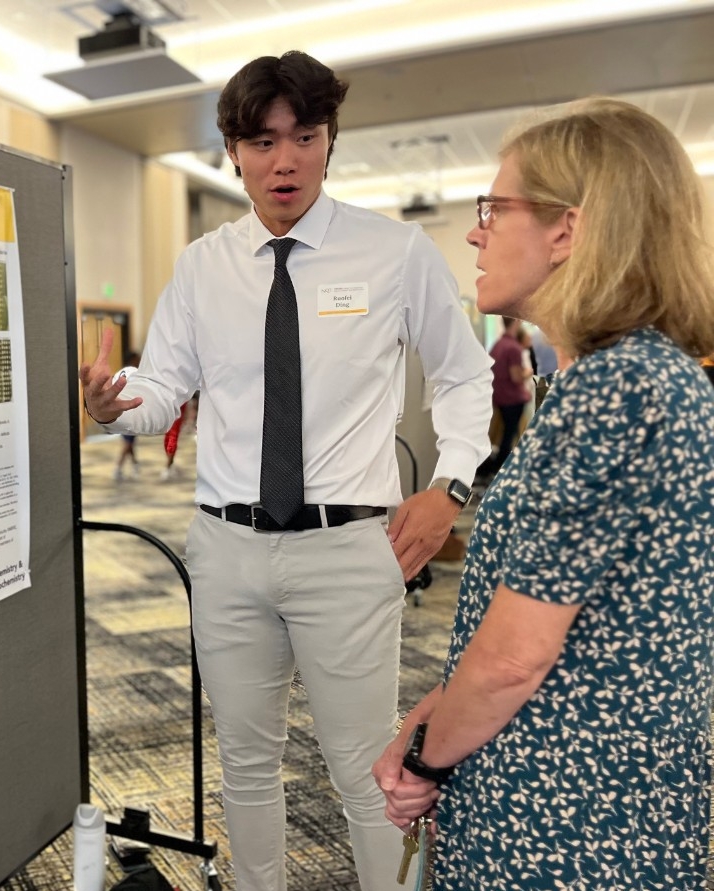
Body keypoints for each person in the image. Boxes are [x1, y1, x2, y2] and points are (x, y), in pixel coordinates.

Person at [79, 51, 492, 891]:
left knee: (363, 766)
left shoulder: (395, 252)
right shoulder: (202, 267)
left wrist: (450, 486)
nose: (286, 160)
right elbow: (165, 389)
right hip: (226, 549)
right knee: (247, 761)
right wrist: (116, 406)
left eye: (306, 135)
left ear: (330, 140)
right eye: (264, 141)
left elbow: (464, 371)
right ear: (233, 150)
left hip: (347, 551)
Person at [373, 97, 714, 890]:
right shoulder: (633, 379)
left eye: (496, 207)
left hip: (564, 822)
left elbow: (514, 659)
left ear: (568, 229)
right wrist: (435, 716)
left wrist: (423, 755)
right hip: (603, 798)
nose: (475, 230)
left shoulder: (616, 390)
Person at [478, 316, 532, 480]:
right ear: (516, 322)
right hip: (513, 399)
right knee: (509, 437)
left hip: (500, 397)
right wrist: (527, 373)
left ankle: (493, 469)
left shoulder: (498, 345)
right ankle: (500, 471)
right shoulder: (513, 348)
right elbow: (516, 377)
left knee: (504, 435)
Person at [113, 351, 142, 481]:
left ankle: (135, 465)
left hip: (130, 413)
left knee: (129, 442)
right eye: (137, 359)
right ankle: (118, 468)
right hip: (126, 414)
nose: (139, 361)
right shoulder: (128, 377)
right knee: (128, 443)